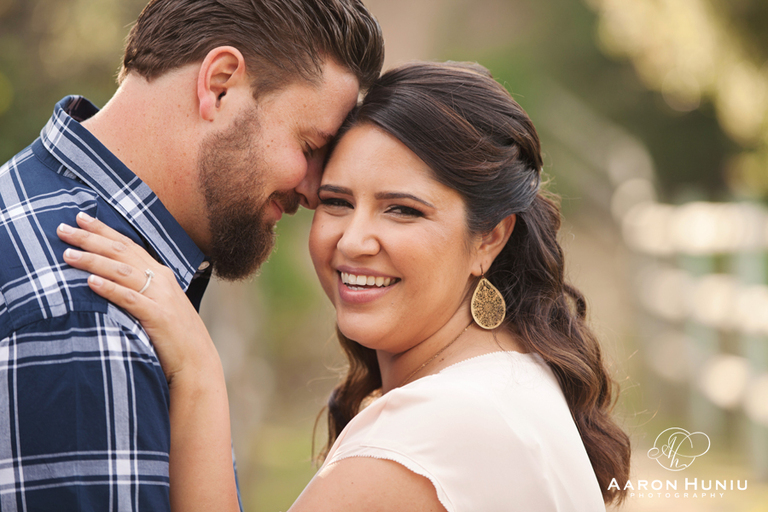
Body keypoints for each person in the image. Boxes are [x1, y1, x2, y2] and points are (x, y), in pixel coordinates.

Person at [57, 61, 632, 511]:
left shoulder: (438, 430)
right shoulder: (510, 378)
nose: (353, 241)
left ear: (489, 238)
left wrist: (199, 373)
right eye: (336, 202)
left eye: (403, 210)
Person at [0, 0, 384, 510]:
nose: (313, 191)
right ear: (220, 83)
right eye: (310, 145)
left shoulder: (24, 199)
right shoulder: (94, 312)